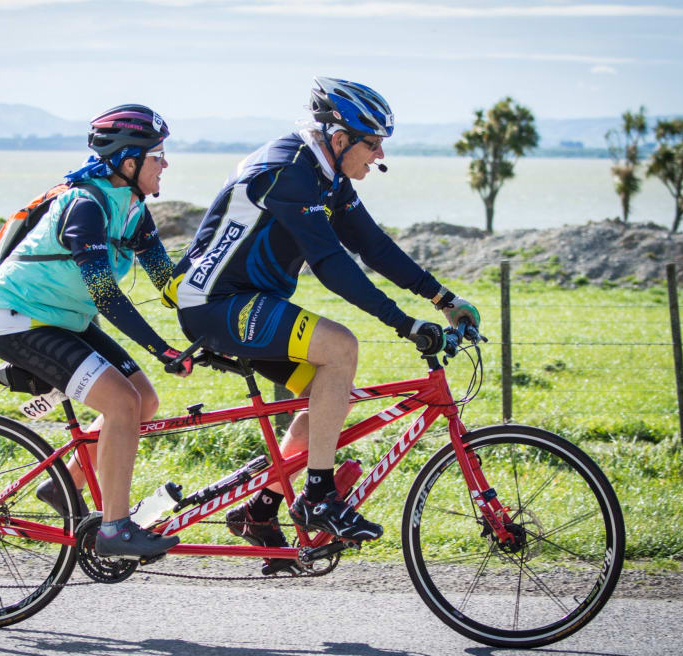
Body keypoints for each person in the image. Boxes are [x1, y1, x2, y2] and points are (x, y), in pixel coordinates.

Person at [163, 77, 480, 574]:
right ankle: (317, 497)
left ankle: (260, 510)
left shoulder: (325, 175)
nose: (377, 156)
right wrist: (404, 323)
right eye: (371, 144)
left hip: (248, 300)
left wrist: (441, 299)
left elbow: (373, 246)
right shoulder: (289, 173)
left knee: (330, 395)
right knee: (340, 347)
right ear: (338, 138)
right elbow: (331, 263)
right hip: (215, 304)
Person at [0, 104, 191, 560]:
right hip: (18, 317)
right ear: (129, 162)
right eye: (158, 155)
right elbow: (107, 296)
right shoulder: (86, 206)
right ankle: (114, 528)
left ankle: (65, 487)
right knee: (121, 402)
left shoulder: (132, 210)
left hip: (65, 319)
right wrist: (162, 348)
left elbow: (169, 284)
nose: (165, 164)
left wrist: (217, 328)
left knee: (144, 400)